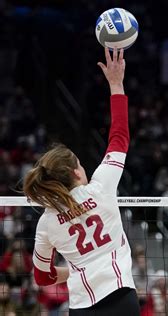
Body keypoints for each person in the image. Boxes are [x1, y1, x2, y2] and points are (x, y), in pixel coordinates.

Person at [23, 48, 139, 315]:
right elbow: (119, 137)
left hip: (81, 307)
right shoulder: (101, 187)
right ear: (76, 172)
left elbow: (42, 279)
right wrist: (116, 84)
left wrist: (76, 268)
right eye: (79, 162)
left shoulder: (47, 222)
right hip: (121, 297)